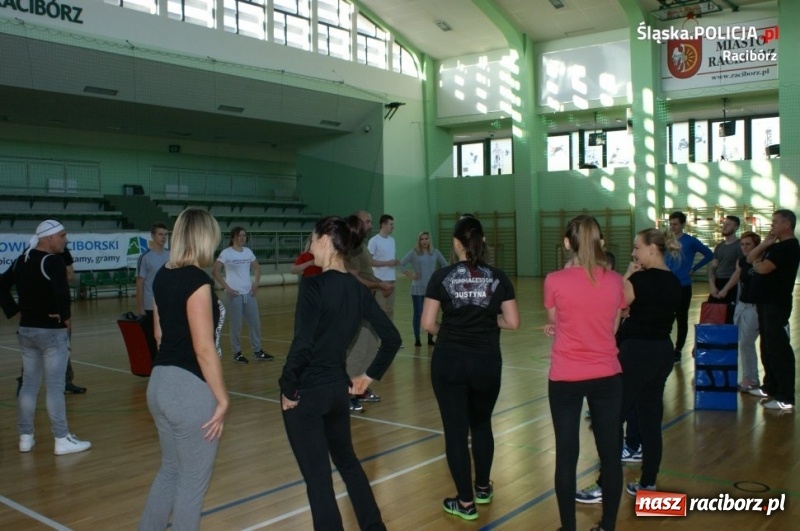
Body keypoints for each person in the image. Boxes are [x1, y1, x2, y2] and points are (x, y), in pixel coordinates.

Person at [279, 215, 401, 531]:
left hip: (307, 395)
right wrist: (367, 378)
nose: (308, 245)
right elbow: (392, 339)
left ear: (326, 240)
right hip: (337, 393)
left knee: (319, 482)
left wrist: (288, 387)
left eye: (311, 238)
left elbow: (303, 344)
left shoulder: (313, 285)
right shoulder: (357, 290)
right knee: (347, 463)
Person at [421, 216, 519, 521]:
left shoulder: (441, 276)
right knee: (481, 425)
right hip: (487, 362)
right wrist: (490, 324)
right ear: (482, 241)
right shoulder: (499, 277)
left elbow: (427, 324)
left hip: (449, 361)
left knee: (455, 431)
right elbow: (513, 322)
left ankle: (465, 503)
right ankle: (483, 488)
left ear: (455, 243)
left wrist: (449, 331)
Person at [138, 208, 229, 530]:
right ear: (205, 238)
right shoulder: (197, 281)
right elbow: (204, 349)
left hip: (160, 383)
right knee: (192, 484)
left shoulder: (163, 273)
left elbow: (159, 333)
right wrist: (222, 399)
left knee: (170, 470)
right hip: (189, 391)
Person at [578, 228, 681, 503]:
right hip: (661, 352)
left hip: (636, 353)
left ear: (651, 249)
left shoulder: (640, 280)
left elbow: (615, 304)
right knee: (650, 419)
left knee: (610, 419)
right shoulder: (674, 282)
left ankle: (604, 485)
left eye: (637, 248)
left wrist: (627, 274)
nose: (634, 253)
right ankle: (647, 484)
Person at [544, 215, 625, 531]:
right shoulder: (616, 281)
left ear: (567, 243)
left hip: (565, 375)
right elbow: (613, 328)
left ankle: (568, 528)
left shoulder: (554, 280)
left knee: (566, 455)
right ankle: (607, 526)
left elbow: (555, 318)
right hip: (607, 374)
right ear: (600, 243)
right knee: (610, 456)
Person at [0, 219, 92, 455]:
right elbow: (62, 292)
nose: (66, 239)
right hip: (51, 332)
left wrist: (14, 311)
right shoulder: (53, 261)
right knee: (54, 387)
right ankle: (61, 439)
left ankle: (25, 436)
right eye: (62, 235)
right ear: (48, 238)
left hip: (27, 331)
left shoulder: (23, 259)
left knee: (29, 385)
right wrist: (66, 319)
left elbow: (2, 284)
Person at [747, 209, 800, 411]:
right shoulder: (775, 246)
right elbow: (751, 259)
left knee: (779, 349)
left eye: (775, 222)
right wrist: (766, 243)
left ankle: (786, 397)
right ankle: (770, 387)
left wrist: (760, 263)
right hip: (765, 303)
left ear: (787, 224)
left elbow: (762, 268)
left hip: (776, 304)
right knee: (767, 346)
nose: (772, 226)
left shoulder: (789, 247)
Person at [15, 247, 87, 396]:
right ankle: (24, 381)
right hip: (35, 308)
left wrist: (56, 274)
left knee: (64, 346)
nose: (64, 239)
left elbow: (70, 275)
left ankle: (66, 381)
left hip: (57, 307)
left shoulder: (62, 251)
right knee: (32, 351)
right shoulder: (30, 252)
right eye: (61, 235)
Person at [345, 211, 394, 411]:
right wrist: (379, 284)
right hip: (359, 302)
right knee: (358, 351)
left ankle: (360, 387)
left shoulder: (362, 246)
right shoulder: (352, 248)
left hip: (370, 299)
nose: (369, 225)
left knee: (372, 347)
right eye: (366, 221)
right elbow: (353, 278)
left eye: (370, 221)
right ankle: (347, 394)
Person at [213, 227, 273, 364]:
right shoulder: (226, 253)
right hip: (235, 295)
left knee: (255, 323)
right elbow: (215, 271)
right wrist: (227, 288)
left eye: (244, 236)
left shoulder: (248, 252)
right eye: (239, 235)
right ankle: (237, 353)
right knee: (236, 325)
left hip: (249, 294)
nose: (242, 238)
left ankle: (257, 351)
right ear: (233, 237)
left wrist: (256, 284)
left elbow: (257, 267)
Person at [665, 212, 713, 363]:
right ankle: (666, 347)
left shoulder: (690, 241)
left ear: (683, 225)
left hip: (683, 285)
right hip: (667, 284)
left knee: (681, 318)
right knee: (665, 317)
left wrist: (694, 268)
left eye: (676, 224)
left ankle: (678, 350)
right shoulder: (666, 241)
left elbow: (709, 254)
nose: (673, 227)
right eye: (671, 224)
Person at [717, 231, 761, 391]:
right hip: (742, 304)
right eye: (742, 244)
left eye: (748, 244)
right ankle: (746, 377)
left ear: (756, 245)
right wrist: (724, 290)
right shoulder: (742, 261)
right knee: (741, 342)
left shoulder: (761, 260)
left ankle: (752, 379)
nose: (744, 247)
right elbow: (736, 276)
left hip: (755, 306)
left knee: (746, 343)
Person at [399, 231, 448, 347]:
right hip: (417, 288)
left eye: (426, 238)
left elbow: (445, 265)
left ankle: (430, 338)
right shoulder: (414, 253)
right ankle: (417, 339)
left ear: (429, 240)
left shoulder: (435, 252)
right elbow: (401, 264)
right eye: (422, 239)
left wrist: (437, 276)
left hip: (432, 288)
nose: (424, 241)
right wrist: (411, 275)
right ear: (419, 241)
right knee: (418, 313)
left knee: (432, 313)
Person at [136, 222, 170, 360]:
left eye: (166, 234)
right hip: (151, 306)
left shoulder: (171, 255)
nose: (164, 237)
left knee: (168, 338)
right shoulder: (145, 257)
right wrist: (140, 307)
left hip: (168, 305)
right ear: (153, 236)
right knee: (152, 339)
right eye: (160, 234)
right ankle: (154, 368)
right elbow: (140, 283)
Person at [707, 215, 743, 323]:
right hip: (718, 283)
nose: (724, 226)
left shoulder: (740, 246)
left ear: (735, 227)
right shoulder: (719, 246)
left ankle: (730, 340)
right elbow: (713, 267)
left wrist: (726, 289)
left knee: (729, 318)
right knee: (713, 317)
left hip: (731, 285)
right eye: (724, 224)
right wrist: (712, 286)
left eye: (728, 224)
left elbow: (738, 271)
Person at [368, 214, 400, 322]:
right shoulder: (374, 241)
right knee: (379, 310)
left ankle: (388, 337)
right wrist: (387, 263)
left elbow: (390, 259)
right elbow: (369, 262)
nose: (392, 227)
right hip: (379, 280)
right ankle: (377, 337)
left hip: (391, 279)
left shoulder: (392, 240)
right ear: (383, 224)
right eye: (391, 224)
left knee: (390, 311)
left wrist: (394, 262)